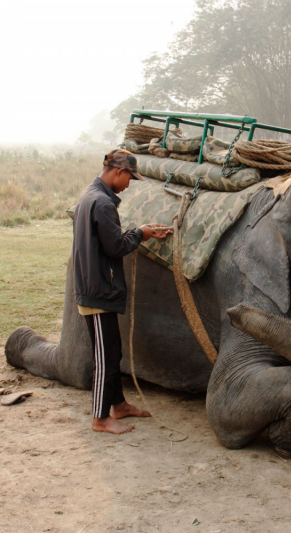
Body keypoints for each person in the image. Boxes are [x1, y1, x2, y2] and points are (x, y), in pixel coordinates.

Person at [73, 149, 172, 434]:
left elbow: (107, 240)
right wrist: (140, 233)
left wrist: (139, 231)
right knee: (105, 356)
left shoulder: (90, 195)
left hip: (93, 285)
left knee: (112, 352)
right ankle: (100, 418)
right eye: (130, 177)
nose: (129, 184)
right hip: (98, 291)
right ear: (118, 172)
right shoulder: (103, 203)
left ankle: (119, 404)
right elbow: (115, 247)